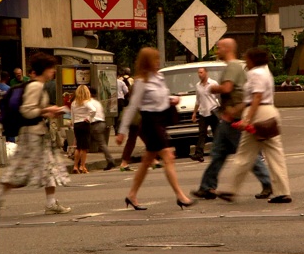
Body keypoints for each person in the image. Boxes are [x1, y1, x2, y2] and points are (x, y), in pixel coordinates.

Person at [191, 39, 273, 201]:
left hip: (234, 117)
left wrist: (213, 89)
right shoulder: (234, 66)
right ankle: (207, 187)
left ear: (227, 49)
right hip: (228, 116)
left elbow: (227, 88)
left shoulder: (233, 66)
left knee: (246, 154)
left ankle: (267, 182)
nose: (217, 51)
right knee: (218, 153)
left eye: (219, 48)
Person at [116, 47, 196, 210]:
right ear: (147, 62)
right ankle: (181, 196)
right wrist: (122, 131)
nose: (158, 62)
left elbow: (161, 98)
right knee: (168, 156)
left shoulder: (158, 77)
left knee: (146, 162)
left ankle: (131, 195)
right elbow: (133, 107)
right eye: (155, 59)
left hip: (161, 120)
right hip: (150, 122)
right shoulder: (141, 81)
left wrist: (172, 99)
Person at [0, 53, 71, 217]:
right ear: (44, 69)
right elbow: (27, 111)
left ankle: (51, 203)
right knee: (18, 173)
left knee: (49, 168)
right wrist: (47, 110)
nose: (53, 72)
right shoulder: (35, 86)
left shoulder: (37, 86)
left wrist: (50, 112)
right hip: (31, 135)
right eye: (51, 69)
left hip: (38, 134)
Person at [217, 48, 292, 203]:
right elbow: (250, 98)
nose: (245, 62)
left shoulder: (255, 74)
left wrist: (247, 119)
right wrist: (236, 111)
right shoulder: (265, 72)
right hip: (268, 112)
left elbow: (256, 97)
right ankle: (283, 191)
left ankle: (231, 189)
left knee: (244, 154)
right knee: (274, 154)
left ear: (252, 60)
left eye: (247, 59)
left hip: (258, 113)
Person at [191, 67, 220, 162]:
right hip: (203, 112)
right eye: (198, 73)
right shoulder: (198, 85)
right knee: (202, 134)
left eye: (201, 72)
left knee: (216, 133)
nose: (200, 74)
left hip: (213, 111)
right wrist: (194, 113)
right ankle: (199, 154)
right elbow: (197, 100)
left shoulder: (213, 83)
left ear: (206, 73)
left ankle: (218, 152)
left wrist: (222, 109)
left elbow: (219, 97)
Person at [86, 87, 116, 171]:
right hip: (101, 123)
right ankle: (110, 161)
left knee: (84, 143)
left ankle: (110, 161)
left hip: (94, 124)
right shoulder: (97, 103)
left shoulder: (88, 102)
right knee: (101, 144)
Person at [70, 85, 96, 174]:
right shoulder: (86, 102)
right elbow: (93, 110)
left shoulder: (73, 103)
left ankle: (75, 166)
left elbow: (72, 115)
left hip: (76, 124)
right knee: (84, 147)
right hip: (84, 124)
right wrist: (88, 118)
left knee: (78, 147)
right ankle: (82, 166)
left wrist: (73, 124)